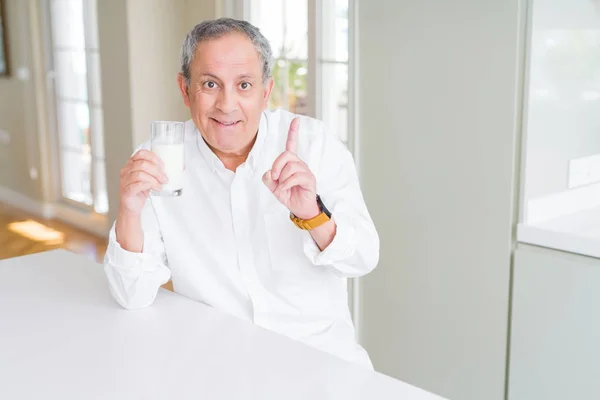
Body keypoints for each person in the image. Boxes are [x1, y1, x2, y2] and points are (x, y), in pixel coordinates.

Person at [103, 18, 379, 368]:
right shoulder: (160, 160)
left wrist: (312, 214)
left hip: (322, 362)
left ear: (265, 91)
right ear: (185, 90)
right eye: (210, 84)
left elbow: (363, 259)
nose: (226, 104)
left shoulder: (313, 144)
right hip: (222, 367)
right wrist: (128, 209)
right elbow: (131, 294)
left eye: (244, 85)